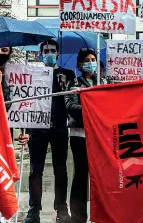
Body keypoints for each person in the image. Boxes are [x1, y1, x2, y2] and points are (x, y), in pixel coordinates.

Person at [20, 40, 75, 223]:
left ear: (58, 54)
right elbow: (24, 102)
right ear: (40, 54)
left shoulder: (68, 74)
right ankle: (33, 211)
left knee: (61, 172)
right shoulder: (32, 74)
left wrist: (64, 86)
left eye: (53, 50)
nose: (50, 53)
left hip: (59, 128)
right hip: (36, 128)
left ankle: (61, 210)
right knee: (36, 171)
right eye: (46, 51)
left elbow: (72, 101)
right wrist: (24, 129)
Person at [65, 48, 106, 223]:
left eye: (93, 59)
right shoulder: (73, 82)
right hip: (79, 135)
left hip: (100, 136)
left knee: (101, 177)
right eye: (87, 60)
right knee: (81, 175)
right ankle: (78, 217)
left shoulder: (103, 82)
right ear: (80, 64)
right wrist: (92, 109)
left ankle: (102, 215)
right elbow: (70, 106)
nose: (91, 62)